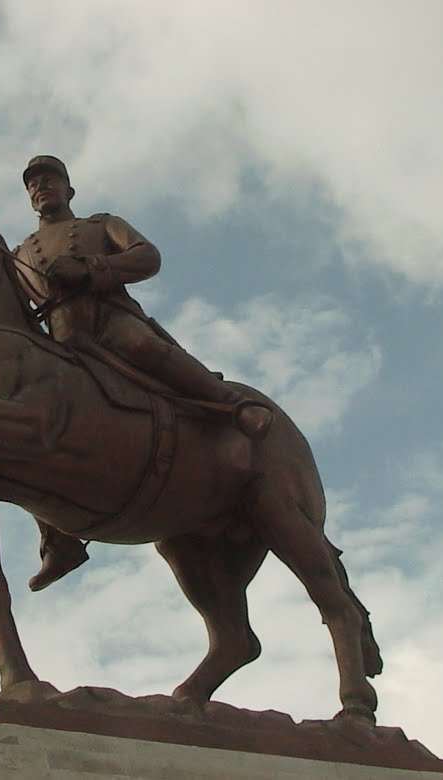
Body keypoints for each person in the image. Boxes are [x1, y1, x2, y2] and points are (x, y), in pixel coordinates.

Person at [14, 155, 272, 591]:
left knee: (142, 345)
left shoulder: (101, 225)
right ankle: (57, 540)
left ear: (69, 190)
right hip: (58, 339)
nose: (43, 188)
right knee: (23, 416)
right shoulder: (19, 254)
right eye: (35, 184)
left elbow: (147, 256)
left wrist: (92, 270)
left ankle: (232, 406)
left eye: (51, 180)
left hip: (107, 320)